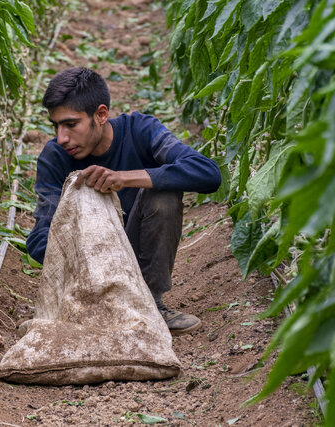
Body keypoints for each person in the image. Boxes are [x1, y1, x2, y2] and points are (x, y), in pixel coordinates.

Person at [26, 67, 221, 335]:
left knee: (163, 195)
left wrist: (125, 178)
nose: (62, 138)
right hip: (87, 272)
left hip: (136, 253)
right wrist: (90, 252)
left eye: (71, 124)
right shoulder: (55, 157)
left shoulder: (140, 131)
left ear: (101, 115)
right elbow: (39, 240)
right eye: (56, 126)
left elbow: (207, 173)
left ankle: (151, 303)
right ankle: (94, 308)